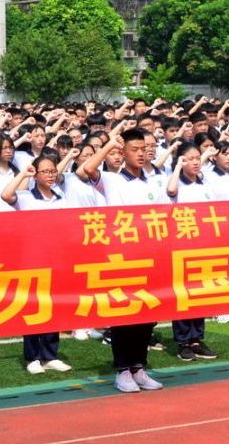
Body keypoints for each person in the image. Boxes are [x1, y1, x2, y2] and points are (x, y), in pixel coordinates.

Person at [76, 125, 166, 394]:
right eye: (134, 149)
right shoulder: (112, 179)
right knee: (124, 312)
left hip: (149, 256)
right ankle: (123, 370)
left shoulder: (154, 182)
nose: (141, 154)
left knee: (147, 314)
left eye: (144, 149)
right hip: (122, 257)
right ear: (123, 152)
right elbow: (86, 169)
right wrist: (109, 145)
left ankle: (139, 367)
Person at [1, 152, 74, 375]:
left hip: (56, 261)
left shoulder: (61, 198)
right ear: (36, 174)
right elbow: (5, 195)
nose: (50, 175)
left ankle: (50, 355)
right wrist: (24, 173)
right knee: (33, 308)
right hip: (32, 261)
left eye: (53, 171)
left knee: (52, 308)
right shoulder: (26, 197)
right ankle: (32, 357)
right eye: (45, 172)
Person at [165, 142, 220, 362]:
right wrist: (178, 166)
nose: (195, 162)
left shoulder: (205, 182)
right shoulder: (176, 181)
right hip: (182, 246)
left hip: (204, 245)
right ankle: (183, 342)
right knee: (183, 294)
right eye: (190, 158)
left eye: (198, 158)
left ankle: (196, 339)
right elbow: (171, 191)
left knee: (200, 293)